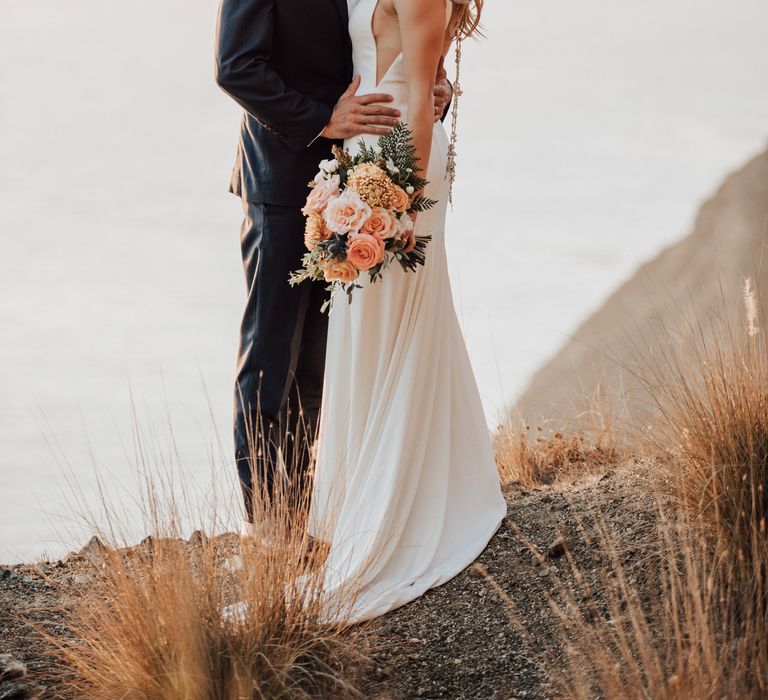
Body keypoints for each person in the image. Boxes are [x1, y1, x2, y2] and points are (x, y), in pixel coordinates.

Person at [214, 0, 453, 538]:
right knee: (270, 356)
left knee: (320, 365)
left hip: (354, 182)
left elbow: (386, 41)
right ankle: (268, 528)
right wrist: (322, 120)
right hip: (280, 182)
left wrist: (431, 87)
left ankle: (305, 514)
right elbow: (236, 67)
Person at [307, 0, 507, 622]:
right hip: (364, 157)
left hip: (399, 162)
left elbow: (421, 96)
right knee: (366, 326)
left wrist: (400, 202)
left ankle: (401, 504)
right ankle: (362, 496)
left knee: (396, 325)